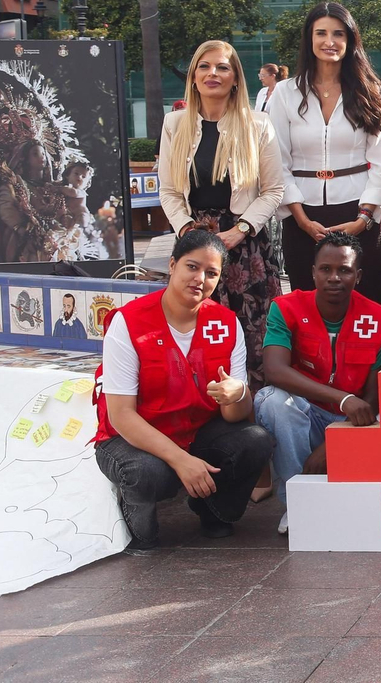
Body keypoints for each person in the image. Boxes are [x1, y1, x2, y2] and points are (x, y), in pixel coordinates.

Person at [93, 230, 275, 549]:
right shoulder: (129, 322)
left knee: (256, 440)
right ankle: (136, 519)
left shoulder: (226, 324)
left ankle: (212, 510)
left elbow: (234, 417)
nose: (200, 278)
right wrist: (181, 461)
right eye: (192, 267)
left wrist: (238, 395)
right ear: (173, 264)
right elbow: (122, 415)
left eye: (211, 273)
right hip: (131, 438)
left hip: (196, 431)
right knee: (147, 472)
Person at [158, 40, 286, 387]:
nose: (212, 73)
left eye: (222, 67)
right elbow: (169, 191)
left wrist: (241, 229)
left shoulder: (258, 125)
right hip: (194, 242)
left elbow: (274, 189)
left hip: (245, 247)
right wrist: (188, 232)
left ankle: (254, 418)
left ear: (235, 79)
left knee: (251, 337)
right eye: (204, 66)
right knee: (195, 334)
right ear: (194, 76)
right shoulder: (174, 124)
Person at [254, 232, 381, 535]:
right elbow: (275, 371)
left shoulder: (379, 318)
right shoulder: (286, 308)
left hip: (353, 421)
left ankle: (347, 498)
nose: (334, 277)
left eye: (344, 270)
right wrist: (342, 398)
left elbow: (372, 399)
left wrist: (335, 440)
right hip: (305, 416)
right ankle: (297, 504)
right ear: (313, 272)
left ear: (358, 275)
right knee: (273, 400)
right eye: (325, 269)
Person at [268, 2, 381, 303]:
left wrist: (364, 219)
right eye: (320, 33)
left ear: (350, 40)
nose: (329, 41)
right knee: (306, 303)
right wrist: (300, 219)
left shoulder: (369, 90)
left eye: (338, 34)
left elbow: (380, 161)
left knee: (364, 302)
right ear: (309, 39)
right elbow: (276, 160)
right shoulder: (285, 93)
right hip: (302, 213)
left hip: (359, 211)